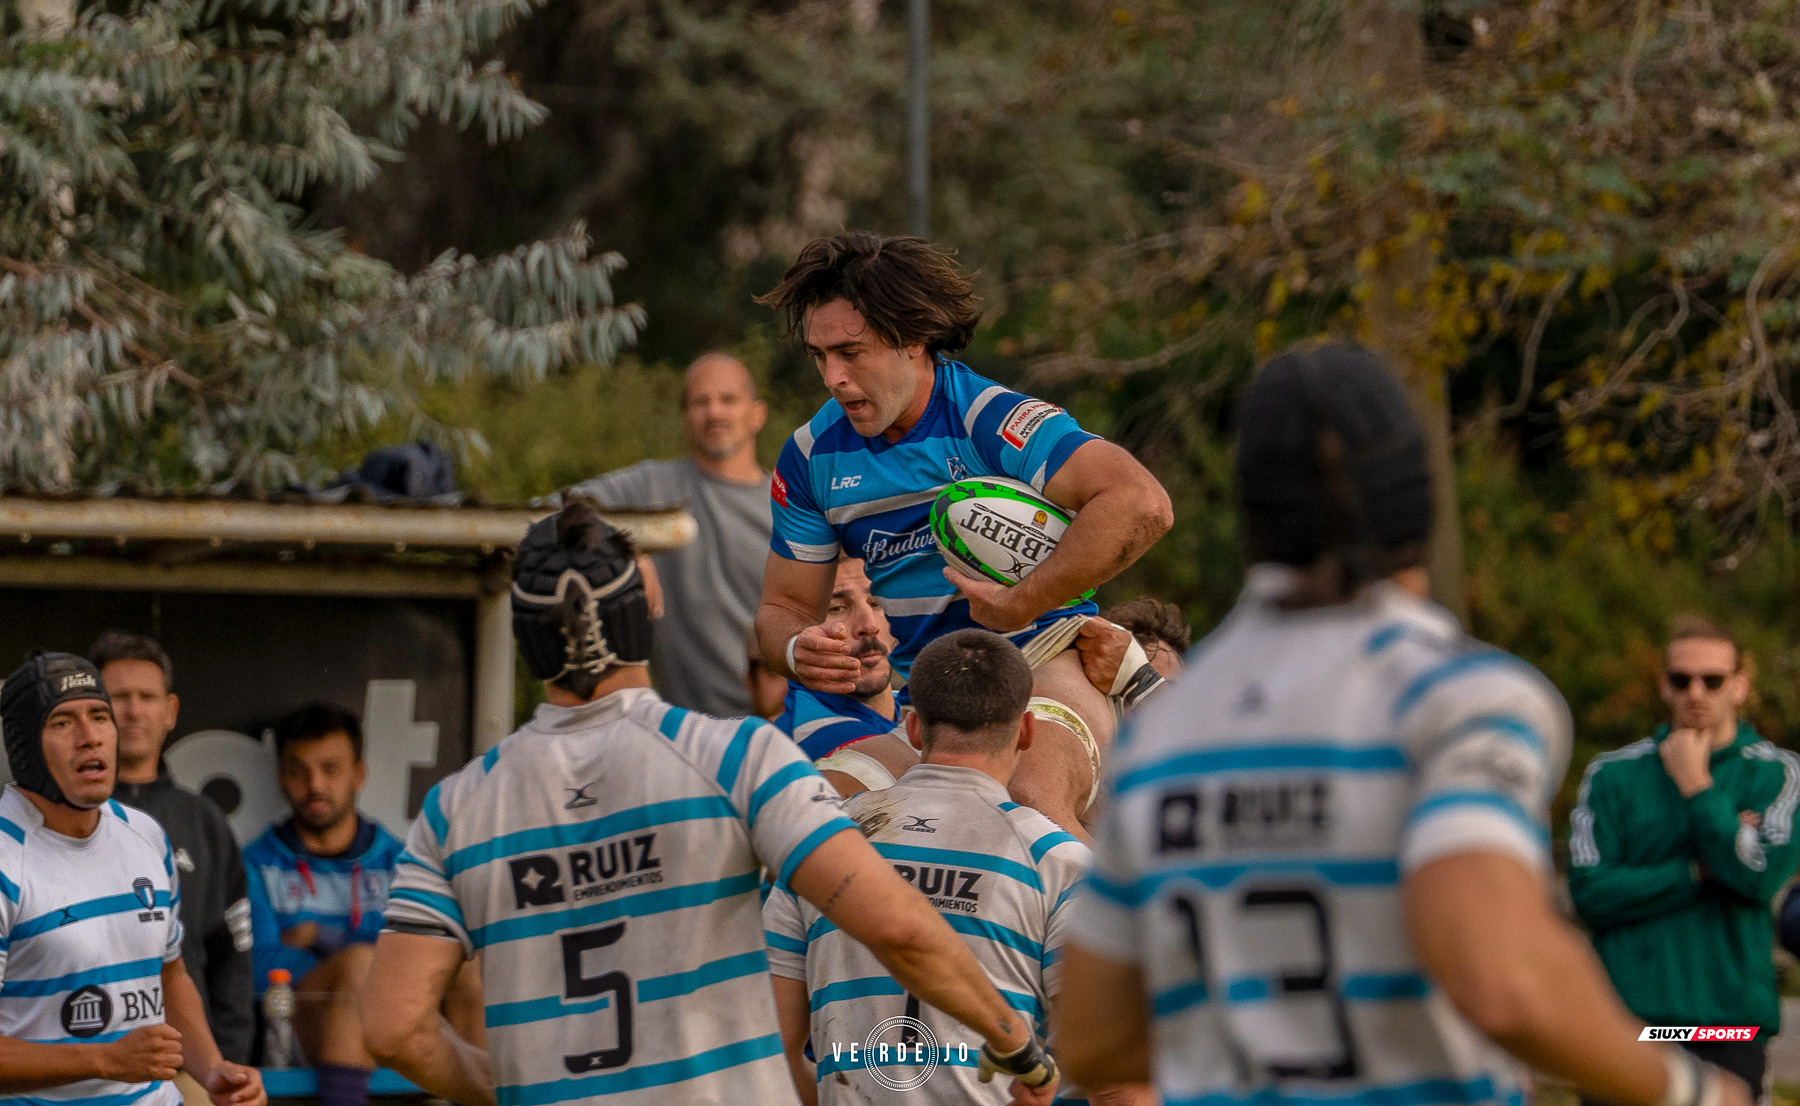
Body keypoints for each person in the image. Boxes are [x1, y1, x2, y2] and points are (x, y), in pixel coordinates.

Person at [1053, 344, 1751, 1106]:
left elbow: (1093, 1039)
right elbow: (1504, 982)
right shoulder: (1462, 698)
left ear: (1251, 515)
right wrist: (1694, 1091)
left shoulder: (1163, 730)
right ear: (1419, 504)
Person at [364, 501, 1060, 1106]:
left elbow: (393, 1028)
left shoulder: (458, 807)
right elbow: (899, 928)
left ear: (525, 635)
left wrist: (511, 1090)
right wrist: (1016, 1043)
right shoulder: (734, 759)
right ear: (652, 600)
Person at [753, 232, 1174, 841]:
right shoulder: (811, 456)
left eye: (851, 353)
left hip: (1047, 660)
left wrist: (1023, 601)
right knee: (812, 825)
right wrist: (797, 649)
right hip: (929, 700)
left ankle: (1129, 938)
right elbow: (782, 608)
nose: (833, 377)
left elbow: (1142, 503)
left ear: (913, 340)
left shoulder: (988, 417)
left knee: (1030, 803)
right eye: (820, 357)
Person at [766, 629, 1146, 1106]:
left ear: (915, 729)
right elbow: (1118, 1082)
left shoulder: (821, 844)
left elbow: (772, 1051)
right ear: (1026, 730)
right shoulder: (1059, 862)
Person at [0, 652, 265, 1106]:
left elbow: (169, 972)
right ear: (24, 744)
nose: (90, 738)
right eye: (62, 722)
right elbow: (113, 1058)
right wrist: (105, 1060)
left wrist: (212, 1069)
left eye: (99, 716)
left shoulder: (145, 835)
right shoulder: (7, 859)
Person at [1570, 616, 1800, 1099]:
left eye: (1713, 680)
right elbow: (1591, 894)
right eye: (1681, 679)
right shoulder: (1613, 774)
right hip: (1627, 1027)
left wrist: (1697, 786)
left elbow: (1757, 878)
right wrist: (1700, 869)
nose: (1696, 692)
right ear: (1663, 685)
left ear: (1740, 686)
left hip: (1726, 1029)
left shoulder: (1777, 773)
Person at [557, 352, 772, 717]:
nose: (714, 412)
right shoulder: (651, 488)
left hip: (778, 732)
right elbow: (551, 510)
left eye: (728, 400)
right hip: (681, 732)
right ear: (686, 417)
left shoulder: (790, 506)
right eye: (700, 402)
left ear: (757, 413)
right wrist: (622, 548)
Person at [91, 631, 255, 1065]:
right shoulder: (60, 816)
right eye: (118, 697)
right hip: (83, 1061)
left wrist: (227, 1059)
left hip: (186, 1062)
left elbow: (232, 953)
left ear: (170, 711)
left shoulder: (204, 820)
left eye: (147, 696)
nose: (132, 710)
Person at [242, 704, 415, 1106]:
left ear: (359, 773)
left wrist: (319, 936)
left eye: (331, 768)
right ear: (282, 777)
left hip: (401, 1017)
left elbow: (419, 954)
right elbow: (258, 967)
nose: (315, 784)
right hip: (303, 1026)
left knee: (468, 968)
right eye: (299, 770)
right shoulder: (254, 862)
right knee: (358, 966)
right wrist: (349, 963)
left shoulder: (400, 861)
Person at [772, 558, 917, 798]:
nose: (868, 625)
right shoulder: (826, 738)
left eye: (877, 602)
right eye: (837, 608)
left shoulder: (898, 706)